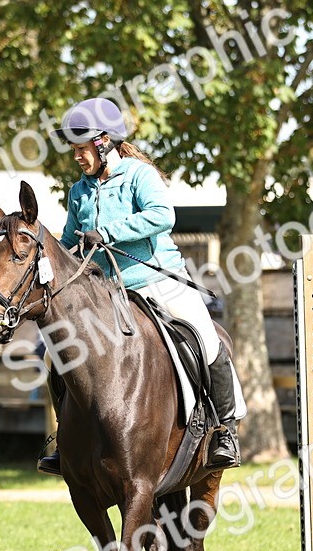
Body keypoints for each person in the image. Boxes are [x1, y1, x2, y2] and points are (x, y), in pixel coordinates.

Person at [37, 97, 246, 475]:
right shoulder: (79, 191)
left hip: (155, 280)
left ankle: (224, 431)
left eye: (82, 148)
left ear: (104, 142)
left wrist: (109, 233)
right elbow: (69, 240)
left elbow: (162, 216)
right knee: (59, 353)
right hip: (107, 294)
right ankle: (64, 437)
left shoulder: (138, 175)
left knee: (206, 335)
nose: (77, 157)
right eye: (74, 150)